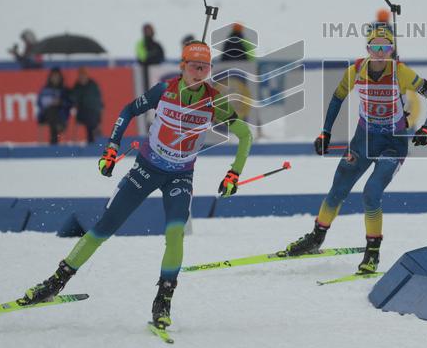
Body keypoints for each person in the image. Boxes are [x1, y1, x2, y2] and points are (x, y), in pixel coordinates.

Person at [20, 41, 254, 331]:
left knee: (175, 234)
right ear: (182, 67)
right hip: (146, 169)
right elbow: (128, 110)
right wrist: (111, 148)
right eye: (194, 66)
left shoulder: (214, 100)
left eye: (205, 67)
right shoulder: (164, 91)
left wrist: (234, 174)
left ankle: (163, 301)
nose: (199, 72)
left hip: (180, 177)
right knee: (104, 227)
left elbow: (245, 135)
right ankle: (55, 282)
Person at [281, 25, 427, 274]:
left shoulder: (401, 72)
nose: (380, 52)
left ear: (391, 50)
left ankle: (372, 253)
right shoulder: (355, 70)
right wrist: (325, 132)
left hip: (393, 144)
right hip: (363, 140)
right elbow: (337, 98)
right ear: (367, 48)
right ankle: (316, 238)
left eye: (385, 47)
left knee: (371, 193)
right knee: (338, 189)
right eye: (375, 46)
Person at [37, 67, 72, 145]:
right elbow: (40, 102)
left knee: (54, 113)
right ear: (50, 77)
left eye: (57, 77)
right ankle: (56, 132)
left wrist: (60, 102)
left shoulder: (64, 90)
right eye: (54, 76)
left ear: (60, 78)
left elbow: (69, 103)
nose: (55, 78)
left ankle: (54, 139)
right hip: (46, 114)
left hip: (61, 115)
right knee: (51, 110)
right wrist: (51, 102)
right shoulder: (45, 89)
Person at [70, 67, 104, 145]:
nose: (82, 77)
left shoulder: (93, 85)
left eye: (84, 75)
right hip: (82, 112)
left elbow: (97, 100)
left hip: (93, 112)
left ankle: (93, 139)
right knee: (90, 119)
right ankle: (91, 139)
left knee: (92, 118)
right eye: (81, 75)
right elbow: (73, 98)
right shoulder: (77, 86)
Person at [136, 23, 166, 91]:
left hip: (156, 72)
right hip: (145, 72)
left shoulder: (157, 44)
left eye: (150, 30)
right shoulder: (141, 43)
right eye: (147, 31)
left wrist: (152, 57)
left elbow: (162, 57)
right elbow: (143, 58)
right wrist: (153, 55)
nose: (149, 32)